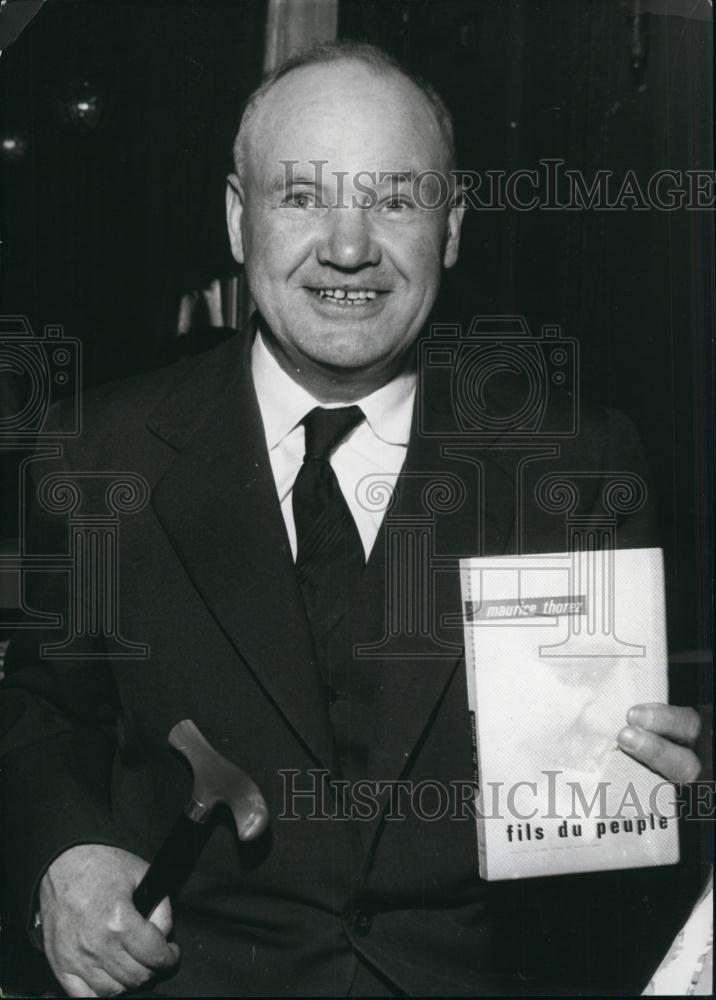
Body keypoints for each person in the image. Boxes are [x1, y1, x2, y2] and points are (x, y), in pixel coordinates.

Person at [0, 41, 703, 998]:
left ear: (450, 229)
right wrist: (64, 851)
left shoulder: (578, 462)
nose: (347, 247)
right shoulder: (100, 453)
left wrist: (677, 764)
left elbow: (630, 797)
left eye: (395, 200)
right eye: (301, 196)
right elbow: (40, 709)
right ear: (238, 219)